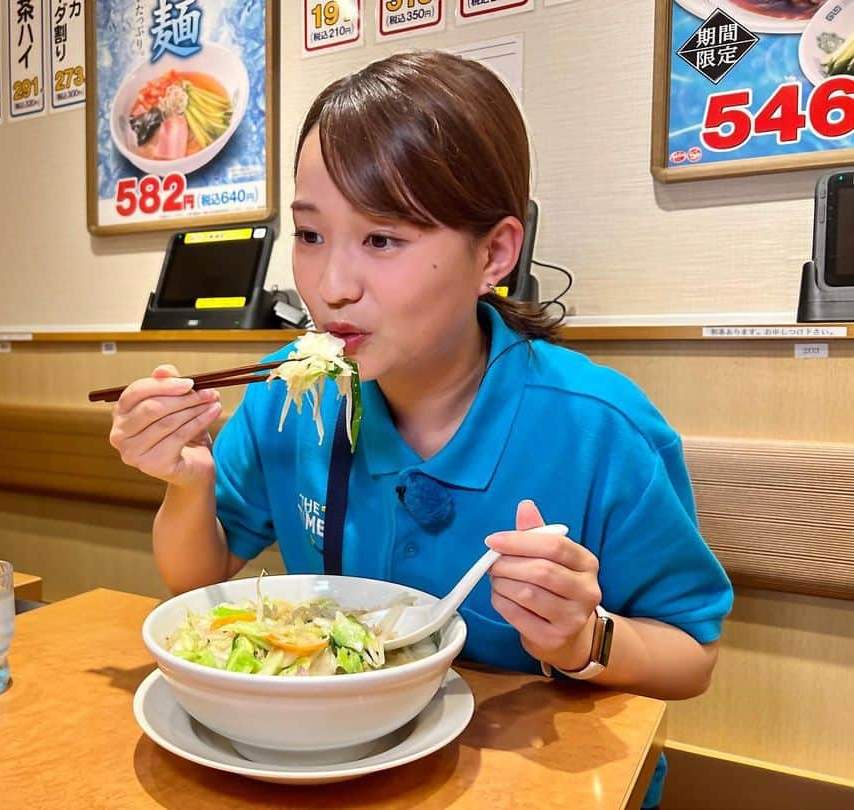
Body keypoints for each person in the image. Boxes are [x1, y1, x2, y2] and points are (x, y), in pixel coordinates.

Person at [109, 50, 732, 807]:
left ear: (493, 254)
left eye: (382, 240)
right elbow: (196, 579)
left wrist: (582, 639)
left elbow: (691, 656)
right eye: (309, 236)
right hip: (321, 769)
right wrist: (188, 482)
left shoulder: (601, 428)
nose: (332, 286)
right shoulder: (288, 396)